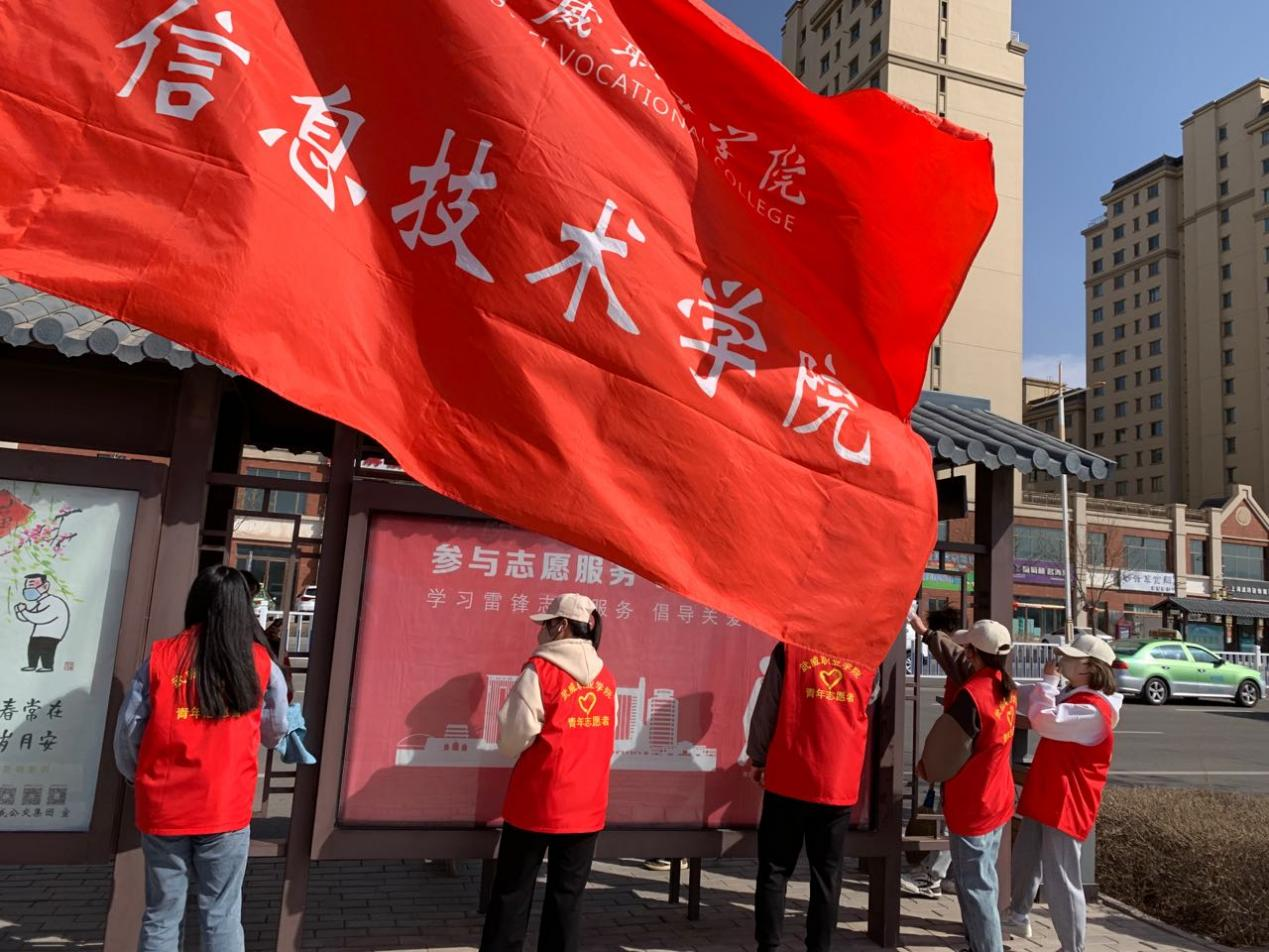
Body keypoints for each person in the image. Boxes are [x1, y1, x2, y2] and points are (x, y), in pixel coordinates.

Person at [113, 566, 289, 952]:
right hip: (226, 805)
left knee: (161, 914)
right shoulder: (260, 661)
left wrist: (136, 776)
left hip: (164, 806)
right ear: (243, 606)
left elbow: (129, 730)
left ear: (196, 601)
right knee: (221, 914)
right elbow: (275, 727)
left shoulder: (160, 656)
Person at [480, 594, 614, 952]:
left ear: (562, 626)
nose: (541, 630)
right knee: (567, 897)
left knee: (513, 891)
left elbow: (514, 736)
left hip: (537, 800)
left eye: (546, 623)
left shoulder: (540, 671)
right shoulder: (606, 677)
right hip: (587, 804)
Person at [746, 640, 875, 952]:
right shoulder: (868, 655)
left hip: (790, 774)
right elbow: (869, 699)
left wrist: (758, 757)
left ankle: (769, 946)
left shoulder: (790, 649)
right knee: (827, 874)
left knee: (775, 869)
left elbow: (768, 706)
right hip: (837, 782)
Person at [1003, 634, 1122, 952]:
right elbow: (1032, 700)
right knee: (1026, 857)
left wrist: (1048, 682)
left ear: (1090, 668)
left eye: (1069, 657)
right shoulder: (1077, 696)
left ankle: (1073, 947)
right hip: (1051, 793)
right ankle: (1017, 915)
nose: (1061, 661)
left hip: (1067, 801)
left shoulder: (1094, 710)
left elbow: (1044, 721)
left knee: (1061, 875)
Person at [916, 620, 1017, 952]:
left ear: (973, 652)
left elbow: (946, 751)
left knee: (976, 887)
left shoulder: (972, 695)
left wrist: (926, 769)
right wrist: (927, 633)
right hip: (997, 797)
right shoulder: (1004, 685)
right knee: (984, 880)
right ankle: (979, 945)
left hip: (973, 803)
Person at [901, 608, 972, 899]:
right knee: (956, 815)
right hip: (962, 754)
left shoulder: (966, 665)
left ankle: (934, 875)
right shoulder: (975, 670)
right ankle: (950, 875)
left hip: (962, 755)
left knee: (956, 815)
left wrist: (923, 631)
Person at [15, 572, 71, 672]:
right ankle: (32, 665)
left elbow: (39, 618)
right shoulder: (41, 602)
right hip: (38, 633)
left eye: (32, 586)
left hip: (51, 635)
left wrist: (23, 611)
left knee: (47, 651)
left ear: (45, 586)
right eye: (27, 587)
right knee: (33, 649)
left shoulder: (54, 602)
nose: (28, 590)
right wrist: (19, 612)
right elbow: (27, 618)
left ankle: (47, 666)